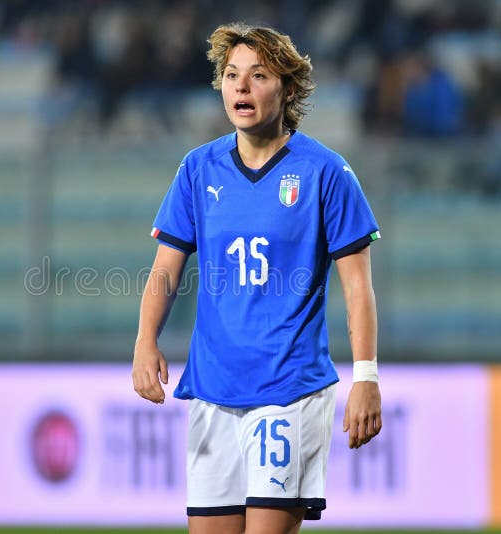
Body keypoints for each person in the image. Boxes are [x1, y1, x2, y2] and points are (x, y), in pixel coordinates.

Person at [132, 22, 383, 534]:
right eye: (231, 75)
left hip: (288, 390)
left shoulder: (325, 172)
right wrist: (144, 340)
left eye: (258, 74)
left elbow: (357, 286)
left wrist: (367, 377)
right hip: (212, 391)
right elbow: (165, 268)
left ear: (287, 89)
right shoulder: (198, 169)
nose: (241, 87)